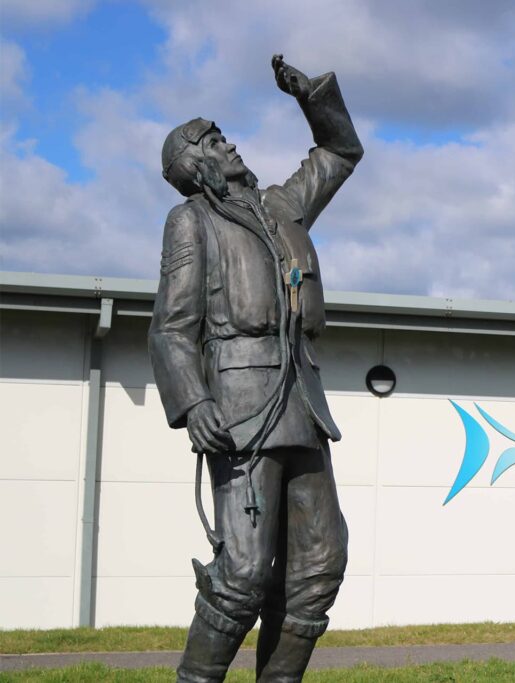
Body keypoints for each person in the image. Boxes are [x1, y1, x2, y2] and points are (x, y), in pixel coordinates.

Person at [149, 54, 362, 682]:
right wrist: (194, 402)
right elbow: (171, 326)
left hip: (303, 404)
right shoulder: (191, 222)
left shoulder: (281, 207)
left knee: (320, 565)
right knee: (243, 576)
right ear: (196, 165)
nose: (230, 142)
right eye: (215, 140)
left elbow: (340, 151)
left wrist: (312, 97)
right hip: (241, 412)